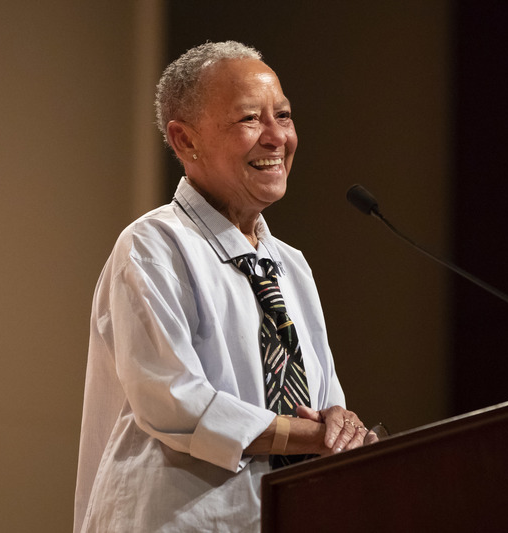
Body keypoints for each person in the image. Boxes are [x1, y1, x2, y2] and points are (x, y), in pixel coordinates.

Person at [73, 41, 377, 532]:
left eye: (284, 115)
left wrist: (342, 426)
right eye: (249, 120)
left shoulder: (291, 266)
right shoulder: (154, 246)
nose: (277, 137)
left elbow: (321, 409)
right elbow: (175, 401)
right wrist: (307, 435)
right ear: (185, 141)